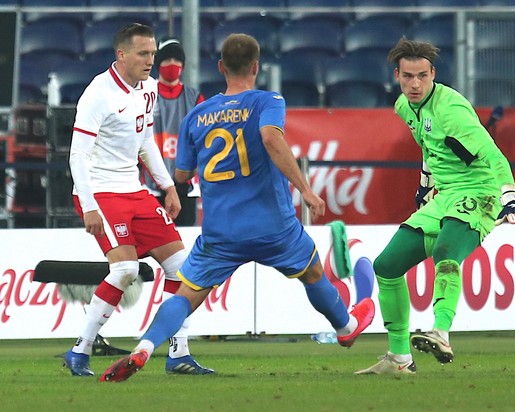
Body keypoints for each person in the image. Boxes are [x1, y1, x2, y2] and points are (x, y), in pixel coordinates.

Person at [99, 33, 375, 382]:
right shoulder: (267, 101)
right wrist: (305, 189)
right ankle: (346, 326)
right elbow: (272, 138)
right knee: (313, 274)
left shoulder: (196, 115)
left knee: (186, 295)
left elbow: (182, 173)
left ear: (220, 67)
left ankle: (145, 346)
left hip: (221, 230)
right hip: (272, 225)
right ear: (256, 67)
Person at [356, 38, 515, 376]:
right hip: (444, 196)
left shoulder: (451, 110)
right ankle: (398, 358)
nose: (415, 84)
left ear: (433, 74)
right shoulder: (403, 107)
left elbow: (493, 154)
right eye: (408, 76)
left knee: (446, 251)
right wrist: (425, 185)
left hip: (480, 191)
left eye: (422, 76)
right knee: (387, 265)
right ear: (396, 74)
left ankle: (440, 331)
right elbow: (428, 146)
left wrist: (510, 197)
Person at [64, 23, 212, 377]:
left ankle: (179, 354)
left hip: (136, 191)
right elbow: (77, 156)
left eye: (153, 53)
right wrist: (88, 206)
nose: (152, 61)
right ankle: (80, 350)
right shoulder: (97, 94)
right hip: (101, 192)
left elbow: (145, 141)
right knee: (126, 269)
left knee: (184, 268)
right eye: (144, 54)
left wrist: (168, 186)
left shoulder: (148, 89)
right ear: (122, 55)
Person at [142, 36, 205, 226]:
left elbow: (201, 140)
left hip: (186, 184)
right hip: (152, 184)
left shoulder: (195, 98)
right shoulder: (145, 94)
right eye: (168, 59)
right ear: (158, 63)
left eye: (177, 60)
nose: (173, 64)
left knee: (184, 241)